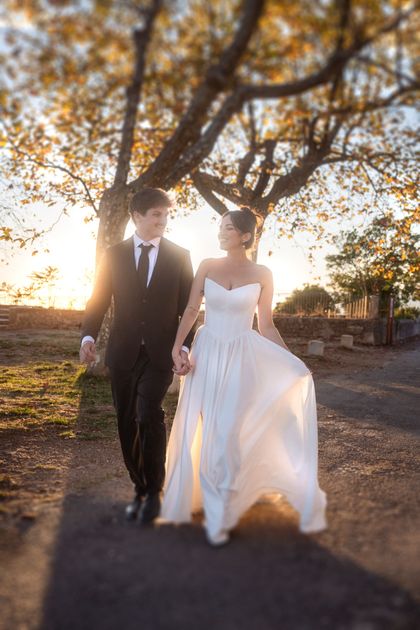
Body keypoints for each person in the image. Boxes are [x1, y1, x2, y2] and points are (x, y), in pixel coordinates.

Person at [161, 208, 327, 545]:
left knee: (227, 430)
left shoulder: (263, 273)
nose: (221, 233)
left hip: (240, 356)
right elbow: (192, 310)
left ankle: (221, 510)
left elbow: (265, 324)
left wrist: (292, 360)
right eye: (220, 227)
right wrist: (178, 347)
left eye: (228, 229)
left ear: (246, 236)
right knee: (204, 428)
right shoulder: (207, 265)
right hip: (205, 353)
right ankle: (204, 500)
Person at [80, 188, 194, 524]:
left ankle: (154, 492)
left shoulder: (180, 256)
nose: (163, 221)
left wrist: (183, 347)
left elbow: (188, 308)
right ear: (137, 216)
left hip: (161, 354)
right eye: (157, 214)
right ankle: (140, 487)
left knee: (148, 414)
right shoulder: (113, 254)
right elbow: (98, 298)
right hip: (123, 352)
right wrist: (88, 335)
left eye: (166, 215)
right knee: (126, 420)